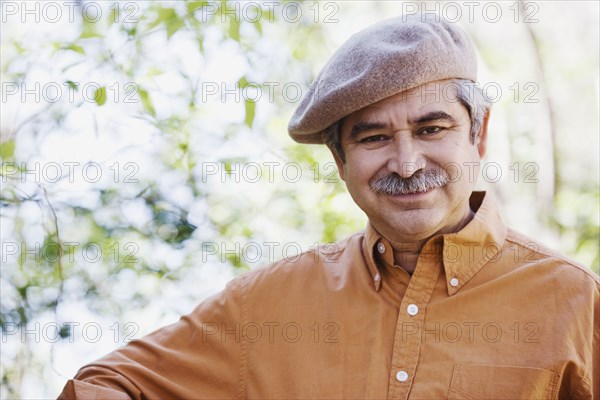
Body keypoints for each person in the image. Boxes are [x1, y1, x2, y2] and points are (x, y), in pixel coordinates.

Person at [58, 14, 598, 400]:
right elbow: (102, 386)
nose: (406, 164)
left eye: (431, 129)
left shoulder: (573, 300)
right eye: (373, 139)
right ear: (340, 160)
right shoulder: (264, 307)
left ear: (478, 134)